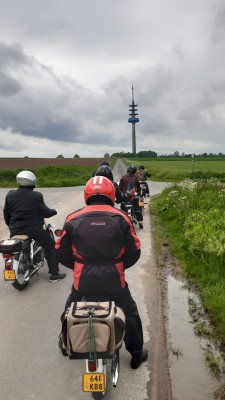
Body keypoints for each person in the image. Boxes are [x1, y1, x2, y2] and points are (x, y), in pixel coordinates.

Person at [56, 176, 148, 369]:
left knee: (69, 308)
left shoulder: (73, 218)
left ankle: (66, 343)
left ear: (87, 194)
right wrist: (119, 266)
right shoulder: (121, 218)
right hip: (114, 279)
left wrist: (79, 266)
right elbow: (135, 250)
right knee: (130, 313)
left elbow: (60, 251)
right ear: (112, 194)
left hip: (83, 280)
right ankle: (137, 354)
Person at [3, 170, 66, 283]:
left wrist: (11, 226)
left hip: (15, 229)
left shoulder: (10, 194)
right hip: (34, 229)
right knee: (50, 244)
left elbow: (6, 214)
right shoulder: (36, 196)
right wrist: (54, 211)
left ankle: (27, 259)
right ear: (32, 181)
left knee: (19, 246)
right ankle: (54, 274)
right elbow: (45, 212)